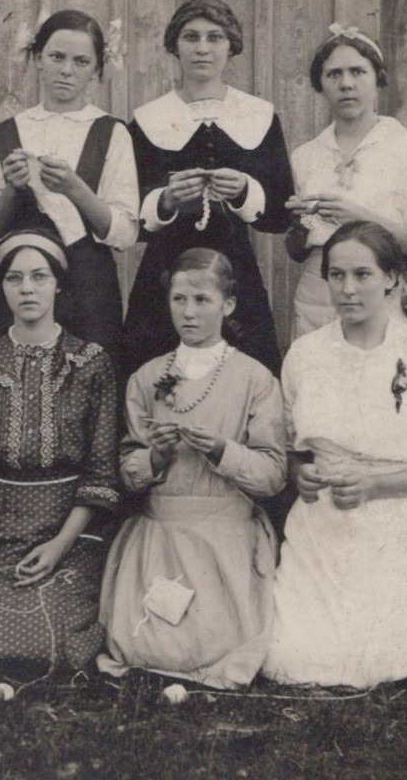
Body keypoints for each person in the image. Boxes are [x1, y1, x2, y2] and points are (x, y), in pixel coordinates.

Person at [264, 222, 407, 689]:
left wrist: (374, 485)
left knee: (381, 663)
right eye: (336, 276)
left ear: (392, 279)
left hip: (392, 521)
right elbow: (295, 449)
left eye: (362, 275)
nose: (348, 289)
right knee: (292, 660)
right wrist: (302, 474)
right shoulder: (304, 354)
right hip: (320, 522)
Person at [0, 231, 119, 677]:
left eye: (38, 276)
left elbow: (101, 477)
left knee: (49, 643)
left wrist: (58, 547)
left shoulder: (90, 363)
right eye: (14, 278)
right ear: (2, 288)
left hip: (67, 531)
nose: (27, 288)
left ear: (58, 284)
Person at [98, 249, 288, 689]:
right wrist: (155, 457)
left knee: (213, 645)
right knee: (141, 644)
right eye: (179, 299)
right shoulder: (147, 378)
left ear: (228, 305)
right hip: (161, 533)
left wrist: (224, 451)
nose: (188, 312)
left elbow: (274, 475)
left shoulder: (255, 378)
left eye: (202, 300)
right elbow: (128, 471)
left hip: (224, 536)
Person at [123, 0, 294, 374]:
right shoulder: (148, 119)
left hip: (234, 270)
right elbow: (129, 218)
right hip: (164, 272)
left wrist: (244, 191)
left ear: (231, 46)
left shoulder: (259, 115)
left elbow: (280, 215)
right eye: (191, 37)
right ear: (174, 46)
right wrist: (166, 200)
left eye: (214, 38)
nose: (202, 48)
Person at [0, 9, 138, 374]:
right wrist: (12, 191)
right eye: (56, 57)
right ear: (37, 59)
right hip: (20, 288)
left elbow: (125, 233)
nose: (67, 70)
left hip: (89, 290)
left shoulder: (110, 132)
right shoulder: (7, 131)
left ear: (97, 69)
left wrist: (75, 189)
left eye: (81, 61)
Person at [286, 25, 407, 336]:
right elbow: (296, 249)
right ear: (321, 84)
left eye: (358, 72)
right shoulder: (305, 156)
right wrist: (299, 224)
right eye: (334, 75)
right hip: (319, 294)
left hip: (384, 292)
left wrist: (360, 219)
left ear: (377, 79)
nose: (346, 84)